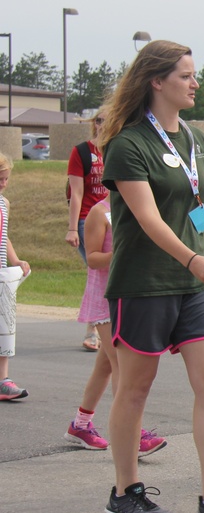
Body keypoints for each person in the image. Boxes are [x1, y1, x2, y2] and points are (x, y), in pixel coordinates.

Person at [99, 40, 204, 513]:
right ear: (157, 81)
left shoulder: (196, 141)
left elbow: (199, 208)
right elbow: (146, 218)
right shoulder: (128, 143)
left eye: (194, 75)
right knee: (134, 388)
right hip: (143, 282)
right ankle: (125, 491)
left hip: (195, 283)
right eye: (186, 76)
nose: (195, 83)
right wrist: (192, 259)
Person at [63, 196, 167, 456]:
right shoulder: (101, 212)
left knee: (107, 364)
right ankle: (134, 433)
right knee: (123, 363)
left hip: (132, 296)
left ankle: (80, 425)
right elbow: (93, 259)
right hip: (106, 298)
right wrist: (123, 251)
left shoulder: (143, 207)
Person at [67, 113, 109, 352]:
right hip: (88, 220)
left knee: (106, 274)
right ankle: (93, 330)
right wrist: (73, 228)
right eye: (98, 120)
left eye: (107, 120)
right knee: (98, 271)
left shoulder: (118, 148)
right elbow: (77, 193)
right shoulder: (82, 152)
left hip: (114, 220)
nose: (101, 125)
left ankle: (106, 326)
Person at [0, 152, 31, 402]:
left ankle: (3, 379)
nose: (3, 184)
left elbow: (5, 235)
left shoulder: (4, 203)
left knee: (5, 325)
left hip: (2, 274)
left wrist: (16, 260)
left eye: (6, 179)